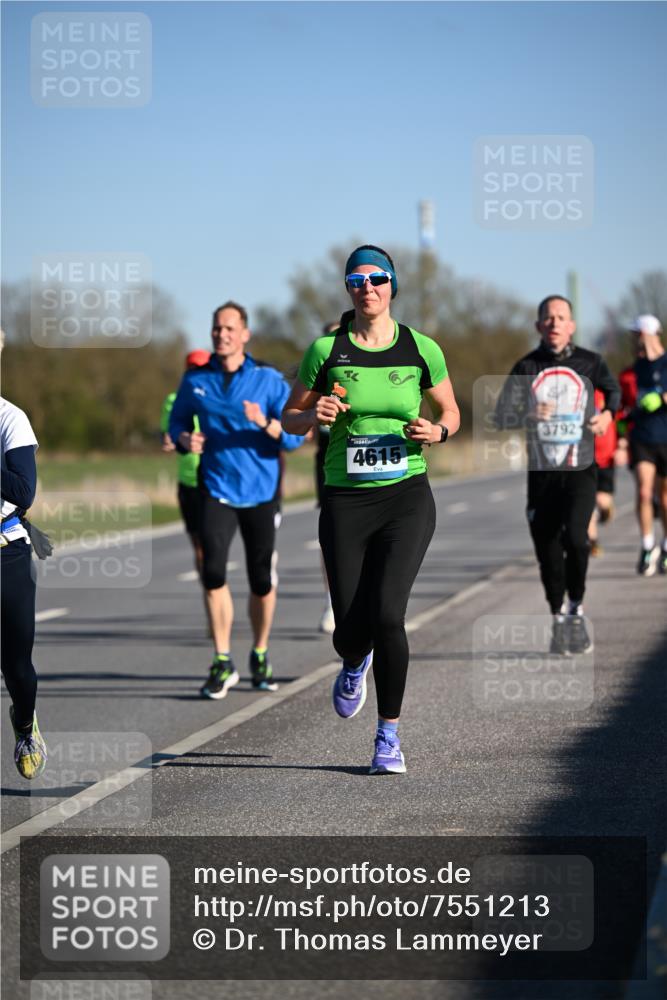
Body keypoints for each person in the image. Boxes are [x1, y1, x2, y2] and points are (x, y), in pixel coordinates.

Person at [282, 245, 460, 775]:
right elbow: (289, 419)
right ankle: (353, 660)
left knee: (388, 614)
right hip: (345, 499)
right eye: (357, 280)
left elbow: (451, 409)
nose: (368, 287)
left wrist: (440, 430)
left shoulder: (421, 348)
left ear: (392, 285)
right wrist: (313, 412)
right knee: (350, 630)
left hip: (406, 495)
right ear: (348, 289)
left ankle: (388, 738)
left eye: (378, 278)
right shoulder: (325, 351)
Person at [169, 302, 304, 698]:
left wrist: (265, 422)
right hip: (216, 489)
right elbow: (176, 421)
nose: (221, 334)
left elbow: (296, 436)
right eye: (216, 329)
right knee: (213, 572)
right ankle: (222, 659)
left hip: (262, 492)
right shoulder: (197, 380)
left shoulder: (268, 380)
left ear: (245, 335)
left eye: (229, 328)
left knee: (261, 579)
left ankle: (260, 653)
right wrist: (183, 439)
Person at [495, 295, 621, 655]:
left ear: (571, 325)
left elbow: (612, 393)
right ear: (538, 326)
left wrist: (608, 416)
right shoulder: (526, 366)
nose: (554, 323)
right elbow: (503, 415)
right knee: (548, 549)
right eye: (547, 318)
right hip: (542, 474)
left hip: (580, 470)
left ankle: (576, 608)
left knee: (579, 540)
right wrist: (529, 414)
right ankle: (557, 616)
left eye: (560, 317)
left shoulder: (591, 362)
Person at [0, 381, 48, 780]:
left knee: (16, 665)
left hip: (6, 550)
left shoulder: (10, 418)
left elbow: (22, 490)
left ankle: (25, 723)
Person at [623, 314, 667, 575]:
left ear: (648, 334)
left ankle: (666, 546)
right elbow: (625, 400)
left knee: (664, 498)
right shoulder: (635, 368)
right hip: (642, 438)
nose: (634, 339)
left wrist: (661, 399)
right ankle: (647, 545)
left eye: (636, 333)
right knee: (643, 492)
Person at [160, 349, 211, 576]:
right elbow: (169, 431)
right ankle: (208, 585)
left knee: (213, 542)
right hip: (187, 481)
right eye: (191, 367)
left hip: (212, 479)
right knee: (198, 543)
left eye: (200, 367)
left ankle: (214, 580)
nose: (195, 372)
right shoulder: (174, 400)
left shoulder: (215, 398)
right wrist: (172, 440)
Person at [313, 321, 339, 634]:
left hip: (365, 464)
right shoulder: (317, 376)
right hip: (328, 465)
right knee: (330, 536)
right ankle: (332, 599)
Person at [587, 388, 618, 557]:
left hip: (606, 457)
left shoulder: (608, 394)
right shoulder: (575, 394)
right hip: (584, 459)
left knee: (602, 501)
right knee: (588, 503)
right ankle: (593, 542)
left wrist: (622, 444)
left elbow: (619, 420)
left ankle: (607, 510)